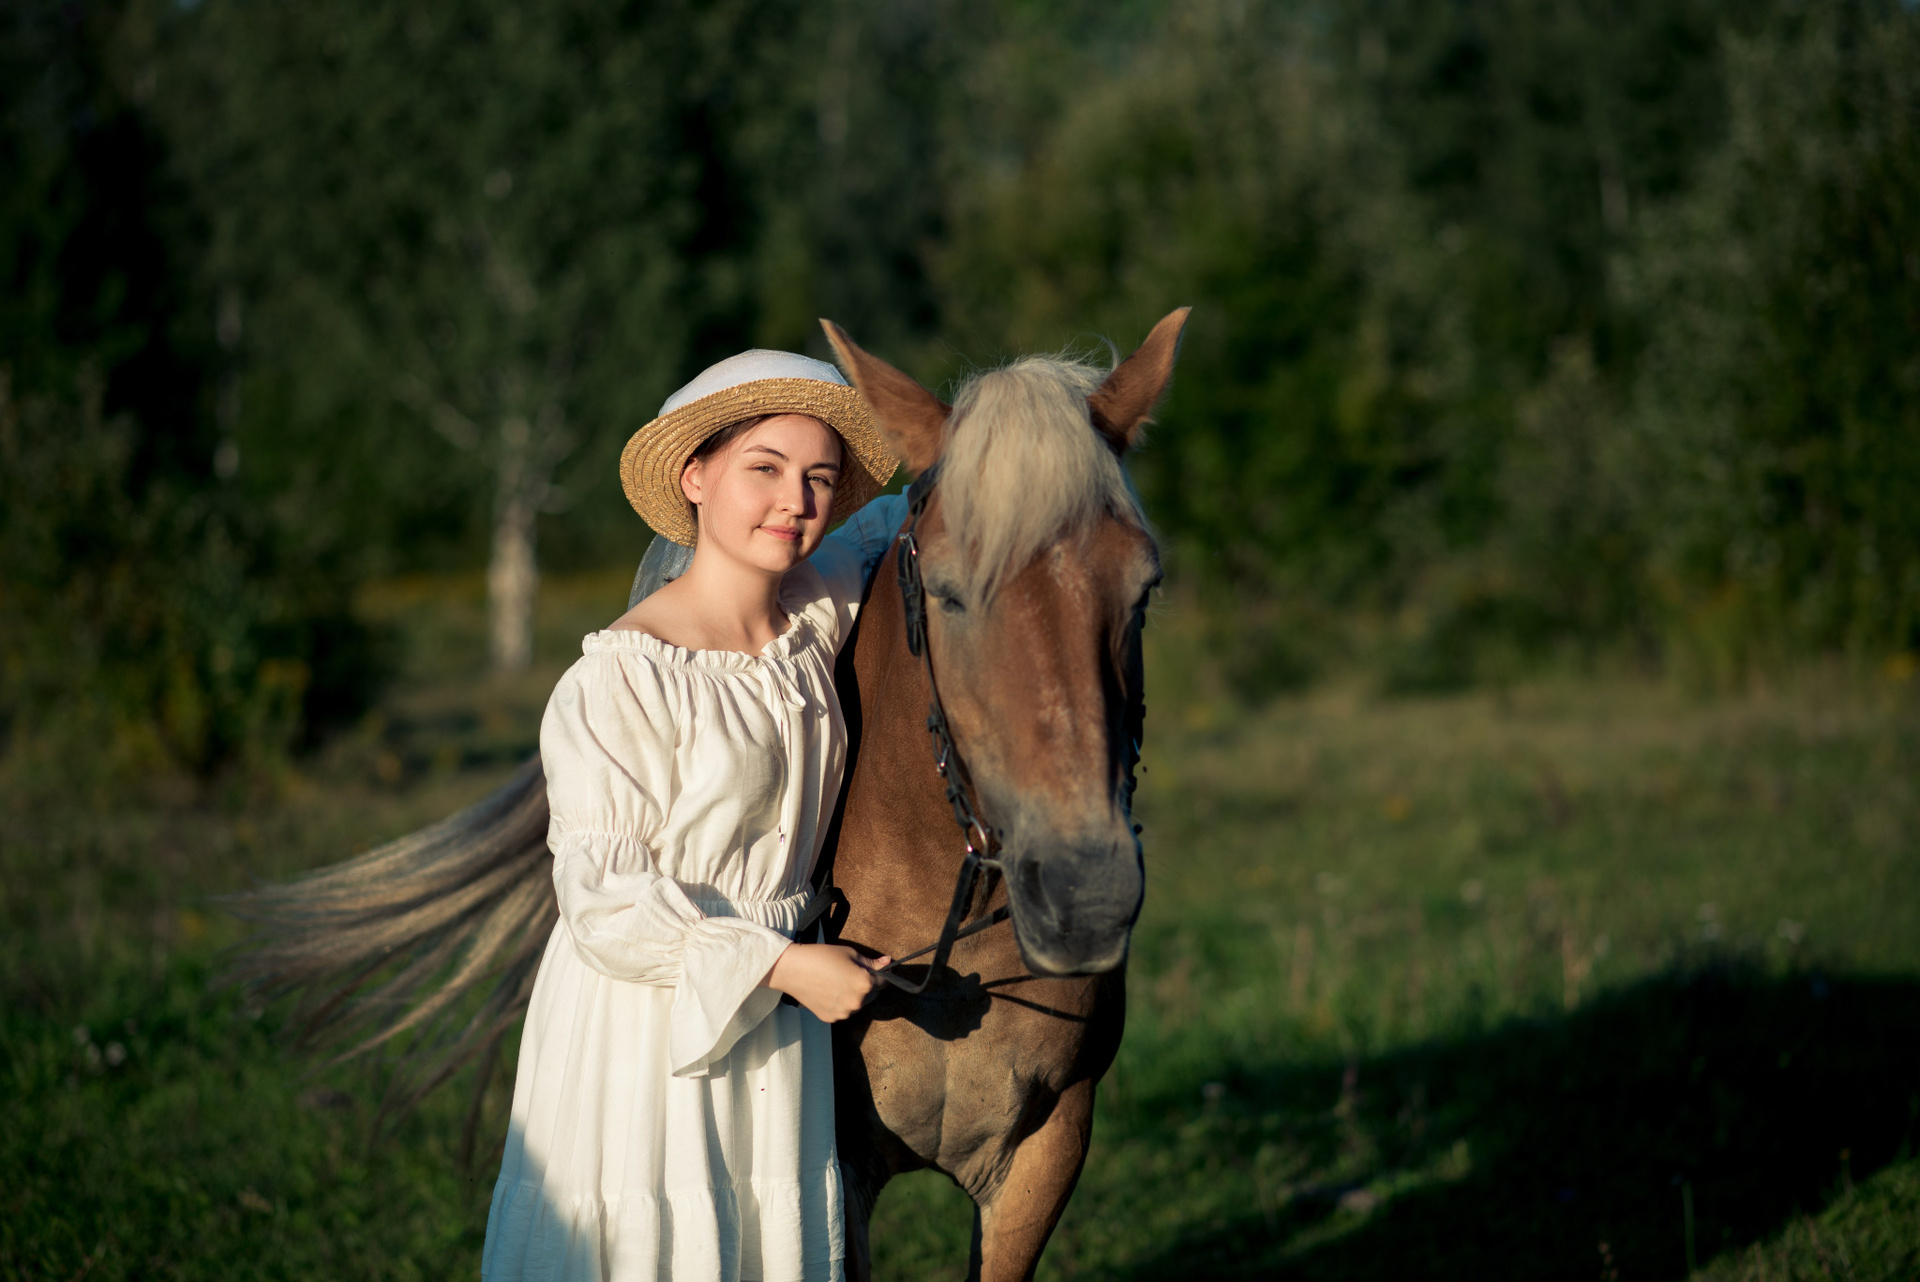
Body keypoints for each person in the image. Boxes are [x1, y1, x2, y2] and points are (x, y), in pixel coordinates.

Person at [481, 349, 907, 1281]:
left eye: (820, 478)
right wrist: (785, 964)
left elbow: (905, 518)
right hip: (647, 1023)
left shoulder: (813, 618)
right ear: (695, 477)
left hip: (772, 1017)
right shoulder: (623, 678)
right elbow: (604, 904)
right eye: (765, 468)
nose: (795, 500)